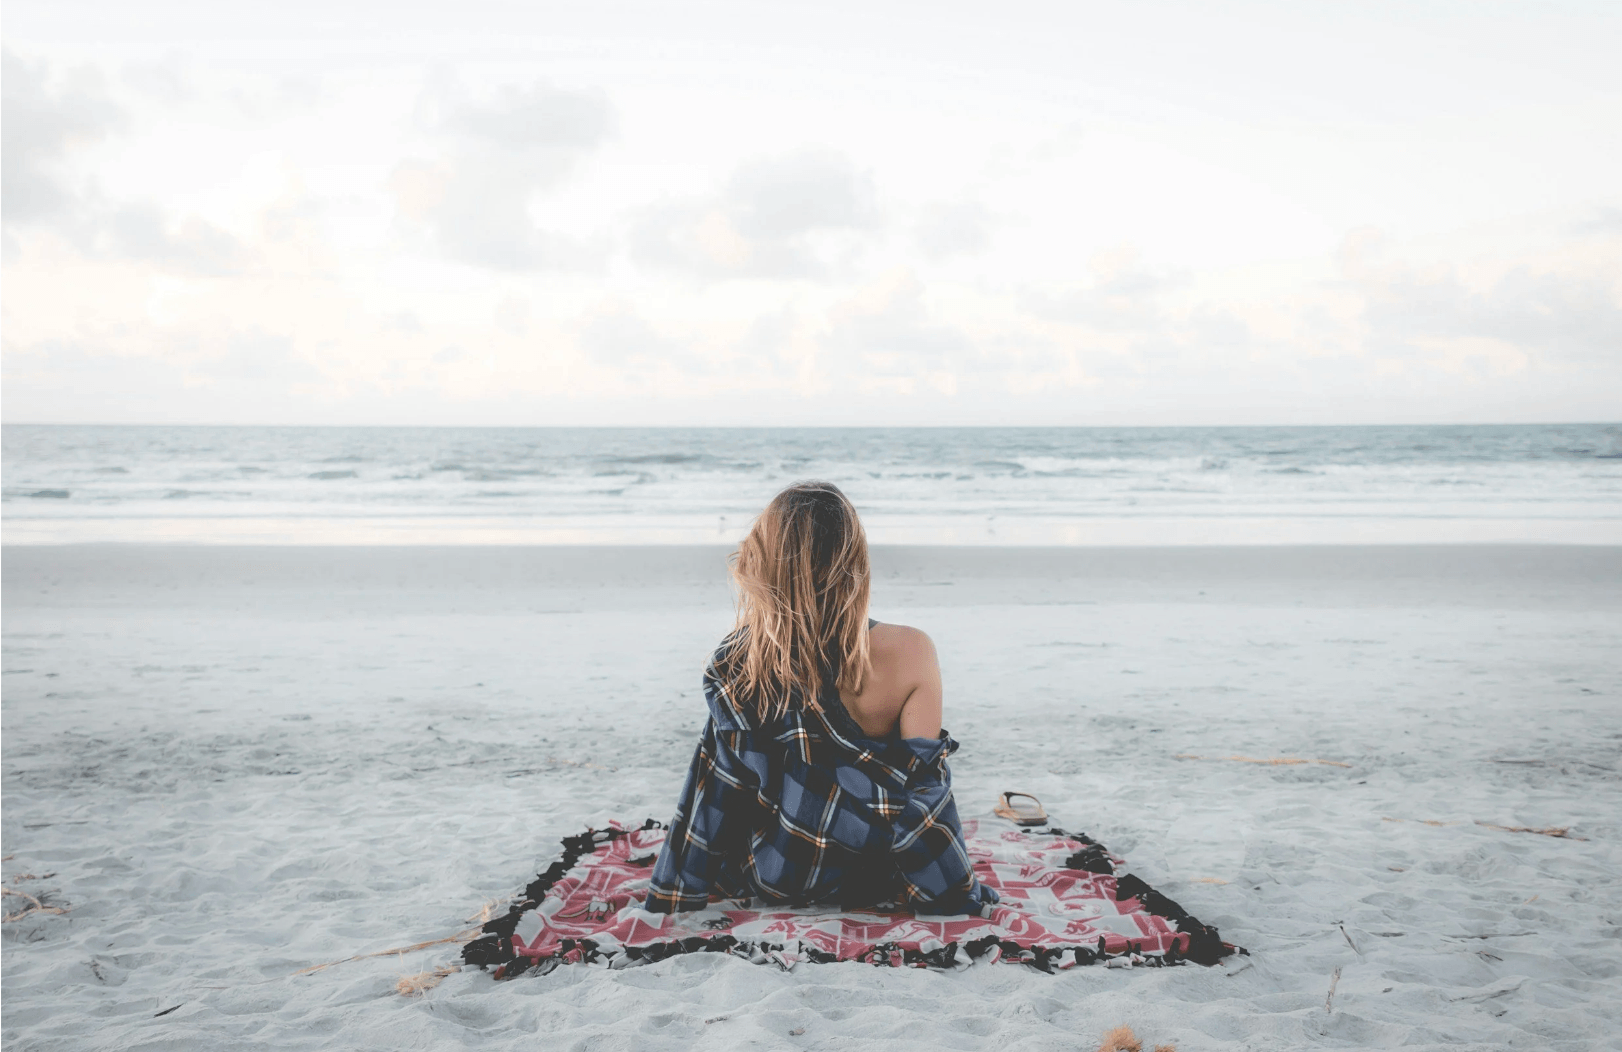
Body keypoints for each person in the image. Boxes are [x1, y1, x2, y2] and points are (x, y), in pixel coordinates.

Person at [645, 481, 997, 916]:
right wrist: (951, 890)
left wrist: (673, 895)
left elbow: (719, 791)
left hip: (780, 874)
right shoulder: (911, 650)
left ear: (769, 563)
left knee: (719, 745)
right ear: (854, 561)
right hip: (879, 876)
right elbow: (923, 792)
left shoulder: (740, 659)